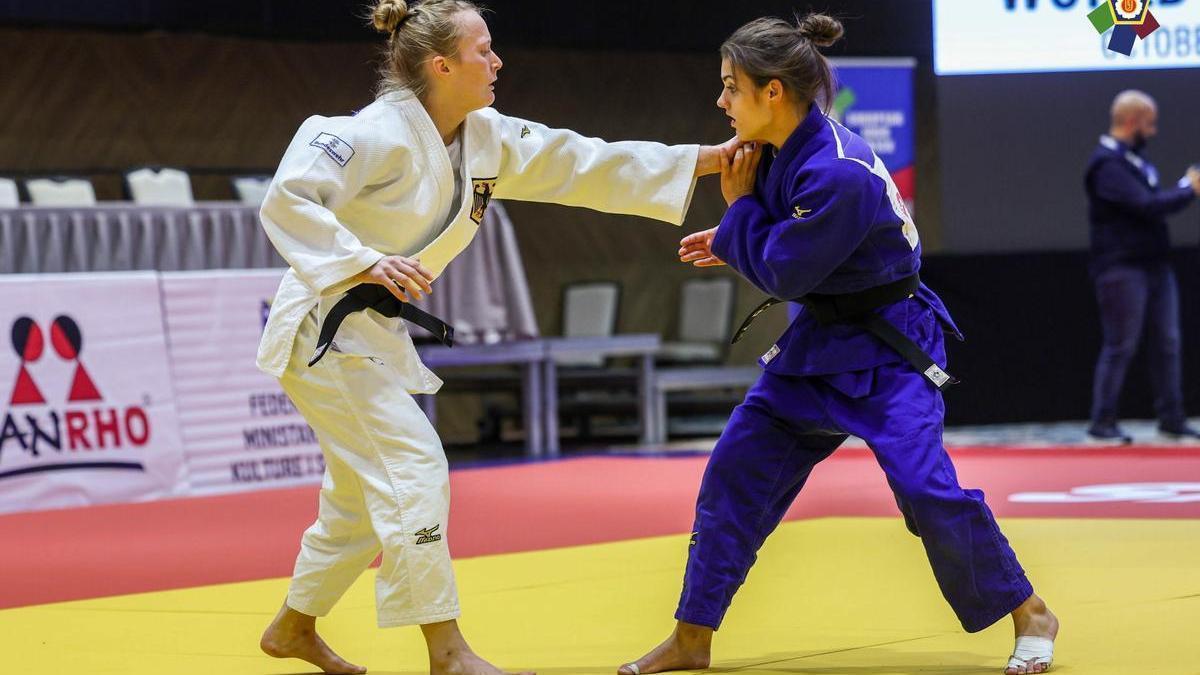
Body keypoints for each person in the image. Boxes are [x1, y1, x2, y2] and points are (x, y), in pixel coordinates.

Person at [253, 1, 733, 673]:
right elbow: (288, 197)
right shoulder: (368, 133)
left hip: (376, 339)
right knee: (413, 467)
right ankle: (446, 651)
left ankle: (293, 625)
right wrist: (362, 259)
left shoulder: (485, 137)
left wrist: (705, 160)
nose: (498, 61)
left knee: (361, 500)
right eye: (484, 51)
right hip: (324, 333)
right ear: (440, 65)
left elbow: (581, 162)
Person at [619, 14, 1058, 675]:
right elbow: (784, 248)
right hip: (818, 346)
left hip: (891, 346)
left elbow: (787, 271)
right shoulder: (770, 151)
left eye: (730, 87)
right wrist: (736, 232)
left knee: (925, 488)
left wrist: (737, 218)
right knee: (734, 473)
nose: (720, 101)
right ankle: (691, 637)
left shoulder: (837, 170)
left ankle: (1032, 613)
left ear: (773, 92)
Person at [1084, 90, 1200, 444]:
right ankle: (1101, 423)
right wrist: (1188, 189)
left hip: (1155, 266)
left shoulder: (1135, 161)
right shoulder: (1106, 165)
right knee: (1121, 344)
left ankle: (1171, 418)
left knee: (1168, 342)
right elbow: (1146, 206)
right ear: (1131, 121)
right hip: (1121, 268)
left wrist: (1183, 189)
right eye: (1149, 123)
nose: (1153, 131)